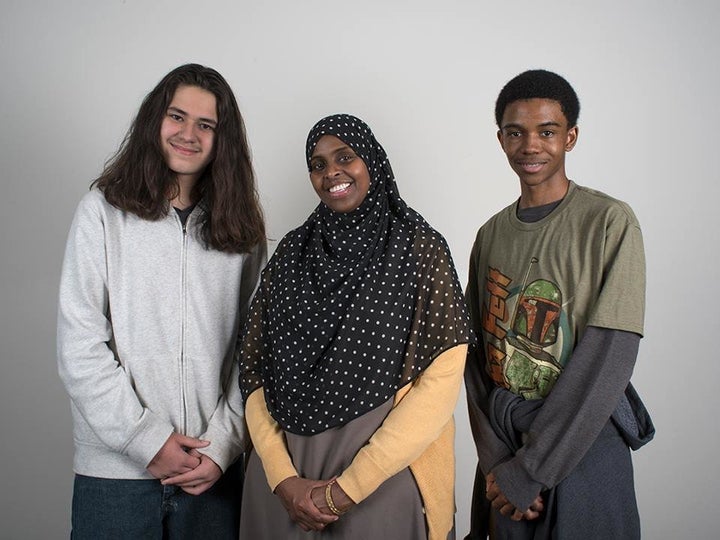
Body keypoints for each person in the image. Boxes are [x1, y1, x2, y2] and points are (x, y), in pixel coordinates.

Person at [238, 113, 473, 539]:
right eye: (318, 164)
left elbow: (441, 381)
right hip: (284, 494)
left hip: (383, 486)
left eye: (345, 156)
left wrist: (348, 489)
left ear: (372, 160)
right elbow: (253, 369)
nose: (331, 173)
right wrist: (282, 478)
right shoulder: (292, 254)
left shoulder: (419, 249)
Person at [57, 63, 266, 539]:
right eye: (177, 116)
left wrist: (222, 447)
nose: (188, 133)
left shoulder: (244, 233)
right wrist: (146, 441)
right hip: (114, 479)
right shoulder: (102, 214)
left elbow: (254, 353)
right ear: (155, 120)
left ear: (222, 139)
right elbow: (80, 346)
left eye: (206, 124)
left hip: (209, 476)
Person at [464, 69, 655, 539]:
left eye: (546, 132)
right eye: (516, 133)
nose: (531, 146)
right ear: (501, 140)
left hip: (582, 441)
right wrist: (497, 466)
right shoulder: (490, 234)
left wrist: (532, 470)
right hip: (506, 450)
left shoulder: (609, 222)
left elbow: (608, 359)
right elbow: (472, 357)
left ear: (570, 137)